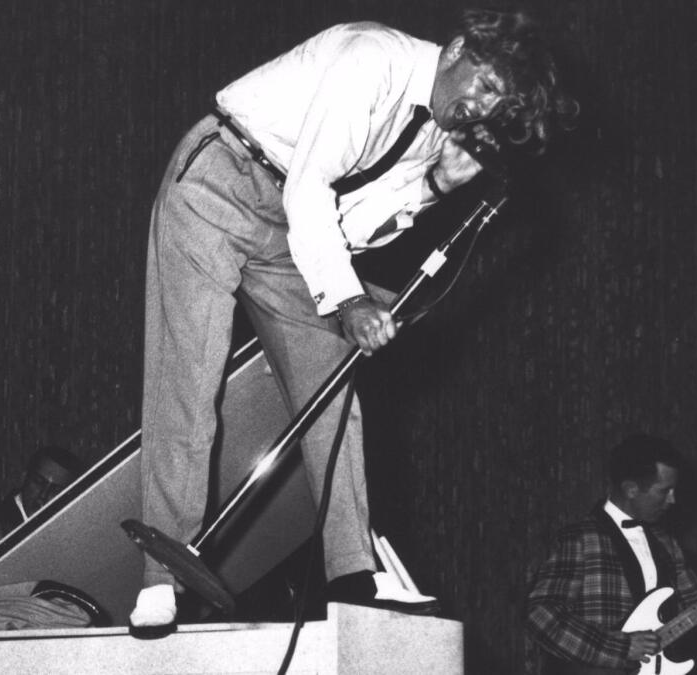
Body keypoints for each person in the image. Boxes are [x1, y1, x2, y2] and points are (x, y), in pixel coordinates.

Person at [130, 6, 572, 632]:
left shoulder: (433, 131)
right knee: (190, 384)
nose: (483, 108)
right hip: (220, 182)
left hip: (289, 231)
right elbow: (309, 186)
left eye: (499, 105)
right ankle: (161, 576)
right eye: (487, 84)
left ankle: (352, 572)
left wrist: (437, 188)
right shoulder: (373, 60)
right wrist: (348, 299)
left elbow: (352, 229)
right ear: (457, 51)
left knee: (333, 390)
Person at [525, 435, 697, 674]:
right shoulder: (580, 539)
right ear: (631, 489)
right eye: (664, 491)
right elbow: (541, 615)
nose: (673, 500)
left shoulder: (666, 543)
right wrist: (620, 646)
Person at [0, 445, 85, 566]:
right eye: (39, 482)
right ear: (23, 478)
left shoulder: (71, 537)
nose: (43, 495)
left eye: (55, 490)